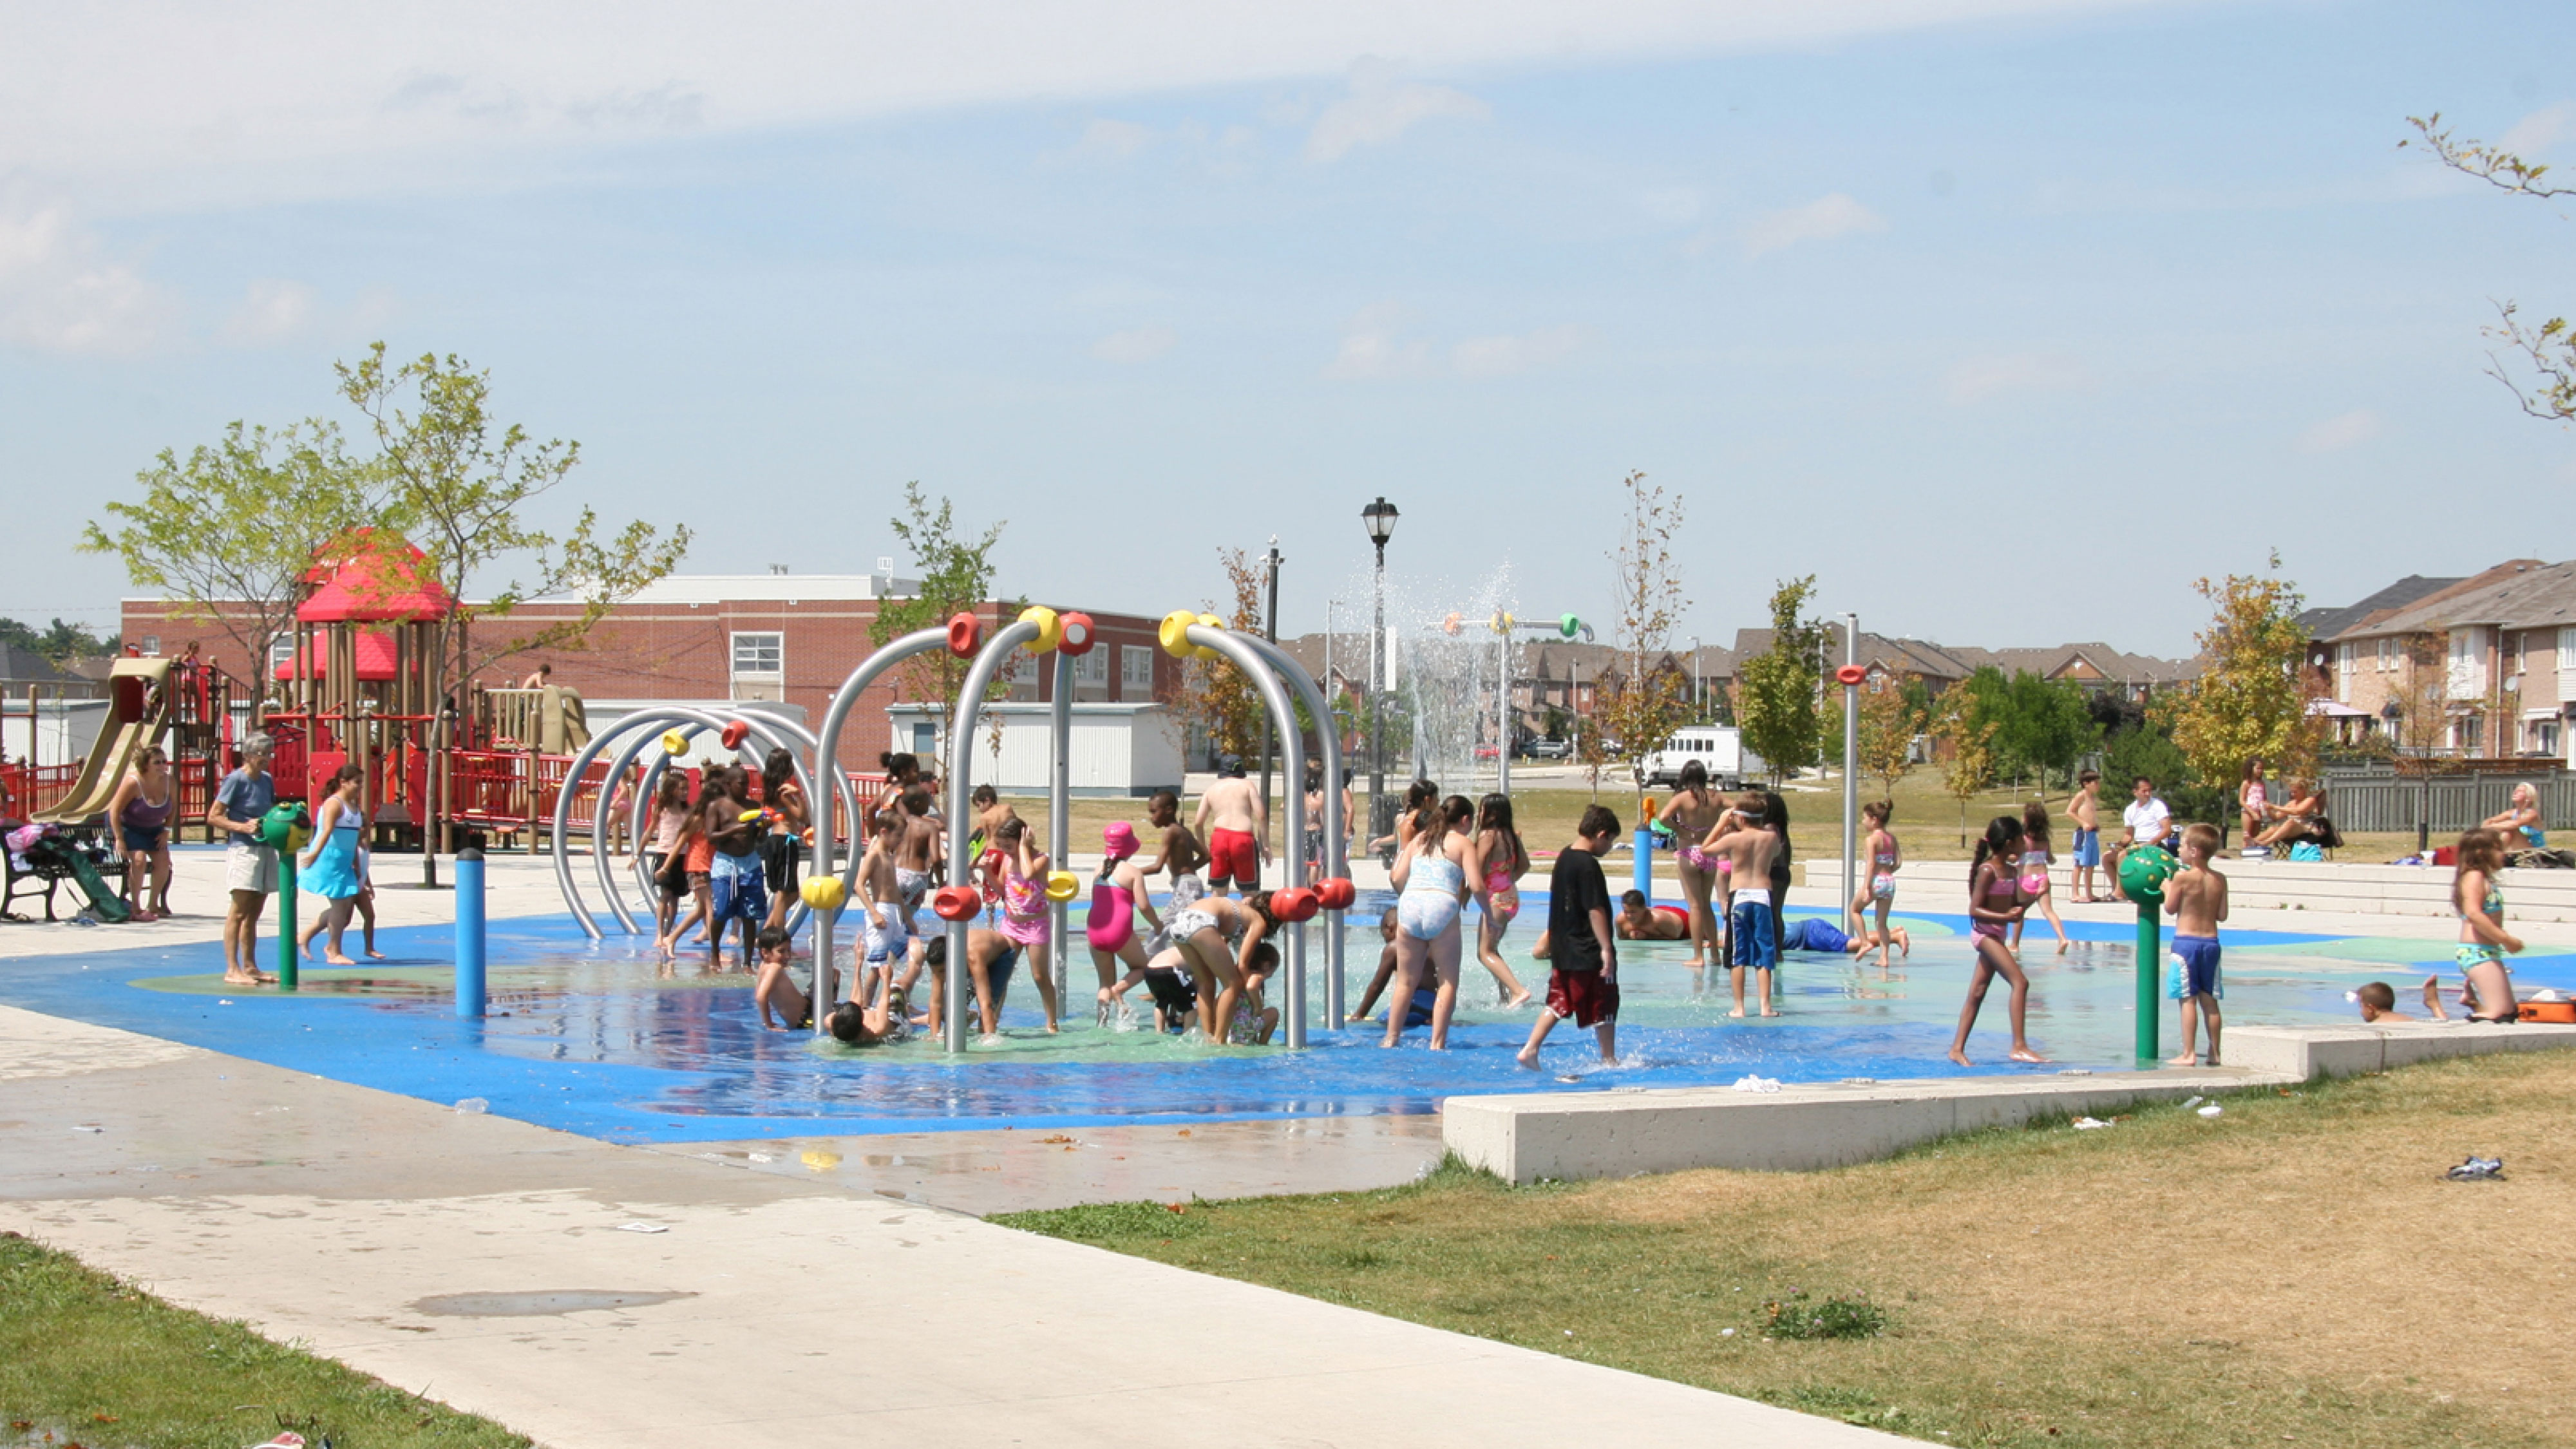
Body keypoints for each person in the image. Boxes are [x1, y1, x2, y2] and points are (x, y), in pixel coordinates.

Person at [1517, 804, 1620, 1068]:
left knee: (1561, 998)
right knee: (1602, 1000)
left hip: (1565, 945)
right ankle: (1608, 1059)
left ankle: (1531, 1049)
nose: (1609, 848)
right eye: (1610, 841)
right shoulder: (1588, 865)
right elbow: (1594, 908)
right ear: (1601, 834)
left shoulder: (1565, 856)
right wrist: (1606, 948)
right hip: (1587, 948)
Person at [1384, 788, 1485, 1050]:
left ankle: (1390, 1038)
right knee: (1448, 981)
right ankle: (1437, 1043)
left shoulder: (1420, 839)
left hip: (1411, 903)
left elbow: (1396, 878)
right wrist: (1489, 913)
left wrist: (1411, 897)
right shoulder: (1463, 843)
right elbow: (1476, 885)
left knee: (1405, 981)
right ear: (1465, 820)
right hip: (1442, 903)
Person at [1949, 814, 2047, 1066]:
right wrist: (2004, 916)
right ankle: (2019, 1046)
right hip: (1985, 935)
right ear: (2010, 843)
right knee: (2021, 983)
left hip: (1997, 935)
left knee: (1978, 992)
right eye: (2021, 840)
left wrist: (2036, 895)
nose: (2025, 844)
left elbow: (2016, 905)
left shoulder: (2012, 872)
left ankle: (1956, 1049)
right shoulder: (1988, 870)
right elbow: (1974, 909)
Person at [1702, 792, 1783, 1018]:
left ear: (1740, 818)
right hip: (1763, 896)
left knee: (1738, 953)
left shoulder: (1734, 839)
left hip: (1740, 896)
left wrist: (1720, 824)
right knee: (1764, 951)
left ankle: (1740, 1007)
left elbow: (1706, 849)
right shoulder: (1771, 838)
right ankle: (1765, 1006)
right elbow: (1777, 854)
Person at [209, 733, 279, 987]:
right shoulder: (235, 780)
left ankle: (250, 966)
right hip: (243, 850)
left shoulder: (267, 780)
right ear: (247, 755)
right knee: (238, 910)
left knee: (254, 912)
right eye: (261, 754)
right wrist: (242, 827)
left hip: (265, 848)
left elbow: (269, 810)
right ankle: (232, 968)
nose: (266, 759)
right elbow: (214, 816)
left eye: (269, 754)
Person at [1085, 821, 1166, 1025]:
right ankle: (1118, 990)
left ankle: (1101, 1024)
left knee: (1104, 982)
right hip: (1118, 931)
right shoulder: (1132, 872)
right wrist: (1157, 925)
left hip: (1094, 930)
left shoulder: (1098, 868)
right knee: (1143, 968)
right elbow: (1144, 906)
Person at [2164, 822, 2230, 1066]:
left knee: (2187, 999)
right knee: (2210, 1000)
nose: (2178, 849)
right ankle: (2215, 1052)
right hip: (2211, 943)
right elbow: (2222, 915)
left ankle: (2189, 1053)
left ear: (2194, 851)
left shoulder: (2182, 877)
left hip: (2186, 944)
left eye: (2181, 845)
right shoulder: (2220, 879)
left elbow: (2170, 908)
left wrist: (2166, 887)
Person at [992, 817, 1061, 1032]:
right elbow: (1003, 890)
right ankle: (992, 1018)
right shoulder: (1006, 860)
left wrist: (1022, 847)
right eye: (1002, 847)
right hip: (1011, 925)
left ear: (1024, 839)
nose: (1006, 851)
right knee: (1002, 974)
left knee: (1040, 975)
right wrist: (986, 873)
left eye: (1009, 846)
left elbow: (1029, 873)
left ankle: (1052, 1021)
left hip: (1035, 925)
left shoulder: (1042, 859)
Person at [296, 763, 369, 966]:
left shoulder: (354, 808)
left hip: (344, 861)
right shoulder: (334, 804)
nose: (360, 787)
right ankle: (333, 949)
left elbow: (353, 839)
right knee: (340, 905)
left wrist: (355, 863)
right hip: (330, 859)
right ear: (343, 782)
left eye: (361, 783)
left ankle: (306, 936)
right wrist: (313, 855)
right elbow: (326, 832)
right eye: (357, 783)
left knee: (344, 907)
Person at [1662, 760, 1730, 970]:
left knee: (1695, 906)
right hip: (1709, 852)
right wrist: (1719, 829)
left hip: (1689, 851)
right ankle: (1716, 955)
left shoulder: (1683, 798)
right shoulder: (1716, 798)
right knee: (1707, 904)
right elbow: (1737, 808)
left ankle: (1698, 955)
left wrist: (1681, 830)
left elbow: (1663, 817)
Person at [2451, 827, 2522, 1024]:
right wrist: (2506, 940)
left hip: (2488, 951)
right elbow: (2474, 914)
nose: (2504, 855)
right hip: (2477, 953)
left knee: (2510, 1012)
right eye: (2499, 849)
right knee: (2501, 1014)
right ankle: (2472, 1012)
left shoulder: (2482, 878)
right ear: (2482, 852)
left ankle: (2473, 1002)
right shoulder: (2473, 877)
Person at [1470, 793, 1533, 1007]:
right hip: (1510, 898)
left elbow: (1475, 870)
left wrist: (1464, 894)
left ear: (1492, 813)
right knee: (1492, 950)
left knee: (1484, 952)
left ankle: (1518, 991)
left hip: (1495, 902)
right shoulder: (1511, 835)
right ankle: (1505, 996)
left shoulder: (1488, 836)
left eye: (1482, 810)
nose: (1479, 815)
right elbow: (1525, 864)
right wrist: (1506, 881)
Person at [703, 767, 767, 970]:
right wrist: (734, 830)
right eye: (741, 784)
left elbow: (761, 839)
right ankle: (715, 953)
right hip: (726, 863)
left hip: (750, 862)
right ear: (728, 784)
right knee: (721, 910)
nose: (746, 788)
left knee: (750, 913)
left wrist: (762, 829)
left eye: (747, 783)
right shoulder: (717, 806)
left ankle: (748, 961)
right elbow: (711, 836)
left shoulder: (752, 806)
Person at [106, 744, 176, 921]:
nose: (162, 766)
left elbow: (174, 808)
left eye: (164, 762)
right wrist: (119, 839)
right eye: (157, 763)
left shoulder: (170, 782)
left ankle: (153, 904)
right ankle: (135, 906)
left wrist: (167, 830)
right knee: (139, 859)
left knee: (163, 860)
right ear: (146, 765)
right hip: (129, 827)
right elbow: (114, 811)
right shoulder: (133, 783)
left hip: (154, 828)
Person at [853, 807, 913, 1008]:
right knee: (877, 965)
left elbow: (894, 890)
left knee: (902, 957)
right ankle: (866, 1005)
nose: (900, 841)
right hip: (880, 910)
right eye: (898, 836)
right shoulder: (874, 855)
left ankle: (897, 998)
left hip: (893, 912)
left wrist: (907, 917)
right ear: (884, 832)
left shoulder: (888, 855)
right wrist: (874, 911)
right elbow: (858, 885)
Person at [925, 928, 1022, 1037]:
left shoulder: (973, 957)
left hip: (1001, 956)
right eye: (936, 972)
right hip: (975, 957)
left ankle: (988, 1030)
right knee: (948, 1012)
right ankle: (970, 1017)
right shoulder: (939, 963)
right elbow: (935, 1003)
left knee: (989, 1006)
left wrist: (989, 1039)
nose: (941, 976)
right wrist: (934, 1036)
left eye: (943, 971)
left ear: (954, 959)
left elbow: (985, 1002)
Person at [1194, 754, 1268, 894]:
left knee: (1218, 891)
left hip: (1220, 838)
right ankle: (1249, 914)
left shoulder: (1212, 789)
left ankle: (1217, 915)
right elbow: (1262, 816)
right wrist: (1266, 845)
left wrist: (1203, 847)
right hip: (1242, 838)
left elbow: (1198, 822)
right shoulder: (1247, 785)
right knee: (1249, 891)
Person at [758, 747, 810, 934]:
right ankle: (777, 934)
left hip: (775, 840)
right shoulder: (784, 792)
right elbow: (802, 816)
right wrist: (798, 795)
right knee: (783, 891)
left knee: (793, 893)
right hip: (785, 842)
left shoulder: (770, 790)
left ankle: (767, 929)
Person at [2011, 800, 2069, 955]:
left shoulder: (2022, 840)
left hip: (2025, 879)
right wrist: (2053, 860)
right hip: (2043, 878)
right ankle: (2062, 938)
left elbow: (2015, 857)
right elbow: (2050, 859)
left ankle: (2015, 944)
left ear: (2027, 819)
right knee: (2049, 911)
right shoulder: (2044, 840)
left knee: (2019, 911)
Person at [1846, 799, 1899, 967]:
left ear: (1874, 819)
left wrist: (1867, 886)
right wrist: (1888, 872)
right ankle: (1884, 957)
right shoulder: (1892, 839)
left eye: (1864, 818)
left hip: (1876, 880)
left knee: (1855, 909)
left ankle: (1865, 942)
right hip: (1889, 882)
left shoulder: (1872, 840)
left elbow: (1870, 864)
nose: (1863, 822)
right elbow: (1898, 863)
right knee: (1882, 923)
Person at [646, 772, 694, 947]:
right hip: (664, 853)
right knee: (665, 894)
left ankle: (667, 932)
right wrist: (637, 854)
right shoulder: (661, 810)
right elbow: (650, 831)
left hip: (682, 856)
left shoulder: (688, 811)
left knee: (675, 898)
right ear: (672, 790)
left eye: (687, 789)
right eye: (682, 789)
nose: (685, 792)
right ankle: (659, 933)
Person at [1134, 788, 1208, 899]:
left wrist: (1129, 872)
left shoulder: (1170, 831)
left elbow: (1157, 868)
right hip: (1192, 883)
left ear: (1169, 810)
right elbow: (1206, 856)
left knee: (1169, 917)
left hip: (1186, 887)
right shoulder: (1183, 830)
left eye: (1154, 812)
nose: (1152, 817)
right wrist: (1188, 870)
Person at [2103, 775, 2173, 884]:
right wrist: (2119, 845)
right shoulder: (2130, 809)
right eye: (2144, 791)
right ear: (2135, 792)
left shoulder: (2157, 806)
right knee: (2107, 858)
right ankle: (2116, 888)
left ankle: (2119, 892)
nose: (2148, 794)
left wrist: (2150, 842)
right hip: (2138, 845)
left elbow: (2167, 830)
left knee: (2123, 856)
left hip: (2155, 845)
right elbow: (2129, 835)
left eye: (2149, 791)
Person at [753, 924, 811, 1031]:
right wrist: (769, 1025)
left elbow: (758, 993)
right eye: (781, 951)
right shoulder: (775, 968)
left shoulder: (763, 966)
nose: (788, 956)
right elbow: (761, 997)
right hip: (808, 1018)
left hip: (806, 1013)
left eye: (789, 950)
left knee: (834, 974)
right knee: (834, 974)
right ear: (765, 952)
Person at [2067, 770, 2104, 902]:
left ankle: (2089, 893)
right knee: (2079, 864)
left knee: (2091, 864)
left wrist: (2095, 824)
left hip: (2092, 833)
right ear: (2086, 784)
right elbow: (2070, 811)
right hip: (2083, 834)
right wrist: (2083, 823)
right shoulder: (2081, 796)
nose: (2098, 785)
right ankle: (2075, 893)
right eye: (2095, 783)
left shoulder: (2093, 798)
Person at [2484, 782, 2547, 858]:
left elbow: (2515, 824)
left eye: (2520, 791)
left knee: (2511, 830)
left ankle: (2490, 857)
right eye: (2515, 790)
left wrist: (2491, 827)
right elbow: (2489, 821)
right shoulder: (2511, 813)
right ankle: (2490, 855)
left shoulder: (2532, 813)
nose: (2515, 792)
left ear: (2529, 797)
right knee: (2505, 832)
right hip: (2518, 850)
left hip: (2536, 853)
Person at [2355, 980, 2443, 1023]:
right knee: (2443, 1024)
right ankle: (2435, 1005)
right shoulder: (2410, 1020)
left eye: (2361, 1006)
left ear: (2371, 1008)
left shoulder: (2375, 1026)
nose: (2361, 1012)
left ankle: (2433, 1003)